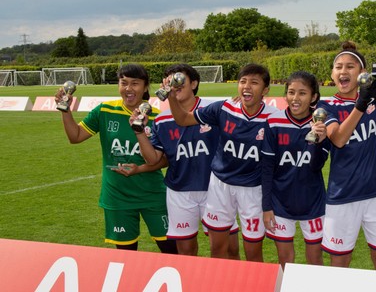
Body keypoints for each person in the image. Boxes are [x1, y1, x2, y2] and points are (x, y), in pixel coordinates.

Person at [55, 63, 177, 253]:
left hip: (153, 194)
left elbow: (165, 160)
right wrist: (66, 111)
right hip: (117, 196)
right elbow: (75, 137)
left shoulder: (158, 118)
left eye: (135, 83)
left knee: (171, 251)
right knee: (125, 255)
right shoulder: (105, 110)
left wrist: (139, 169)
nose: (128, 89)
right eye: (123, 83)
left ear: (145, 87)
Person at [122, 63, 240, 258]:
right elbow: (153, 160)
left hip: (215, 188)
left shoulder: (214, 109)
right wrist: (139, 132)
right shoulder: (161, 120)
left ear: (193, 83)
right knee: (185, 252)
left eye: (179, 80)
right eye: (170, 81)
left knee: (228, 248)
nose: (174, 85)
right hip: (180, 192)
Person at [166, 63, 278, 262]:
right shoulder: (223, 108)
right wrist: (172, 98)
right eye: (243, 81)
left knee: (253, 253)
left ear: (266, 90)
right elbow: (183, 119)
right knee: (218, 250)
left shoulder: (273, 118)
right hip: (220, 187)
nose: (247, 87)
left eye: (254, 83)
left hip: (253, 190)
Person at [317, 41, 376, 271]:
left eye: (350, 66)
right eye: (339, 67)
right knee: (339, 265)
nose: (343, 71)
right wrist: (361, 105)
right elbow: (339, 139)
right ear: (332, 74)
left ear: (362, 73)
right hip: (343, 195)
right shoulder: (327, 105)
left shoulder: (373, 96)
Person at [261, 71, 329, 268]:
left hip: (313, 202)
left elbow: (316, 166)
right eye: (291, 92)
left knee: (315, 260)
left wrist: (317, 140)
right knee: (285, 260)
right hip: (280, 203)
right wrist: (267, 207)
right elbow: (267, 168)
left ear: (314, 97)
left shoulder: (322, 124)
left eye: (302, 93)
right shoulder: (274, 122)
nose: (295, 98)